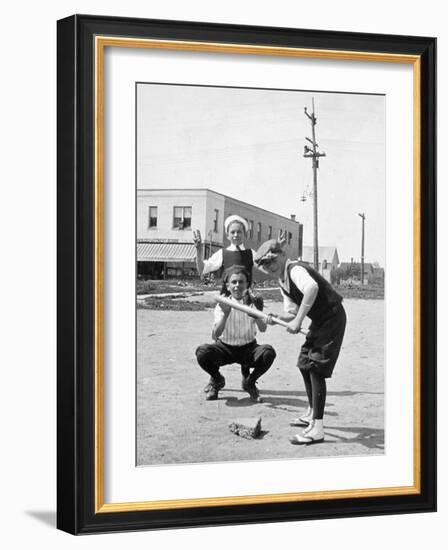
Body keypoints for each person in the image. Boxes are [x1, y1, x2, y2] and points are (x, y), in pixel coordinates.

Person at [254, 239, 346, 445]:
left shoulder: (295, 270)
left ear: (282, 256)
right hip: (320, 320)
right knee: (304, 363)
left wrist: (298, 321)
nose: (269, 267)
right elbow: (292, 312)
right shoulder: (281, 280)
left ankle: (317, 428)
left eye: (272, 261)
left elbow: (311, 289)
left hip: (332, 317)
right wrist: (274, 317)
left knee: (315, 367)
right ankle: (311, 412)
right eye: (265, 265)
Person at [194, 215, 262, 383]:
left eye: (239, 232)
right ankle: (214, 378)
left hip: (247, 300)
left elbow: (267, 266)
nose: (236, 235)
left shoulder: (251, 253)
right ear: (227, 234)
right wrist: (199, 249)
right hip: (227, 300)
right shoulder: (222, 253)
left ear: (244, 234)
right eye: (232, 232)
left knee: (245, 335)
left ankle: (247, 376)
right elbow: (202, 269)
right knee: (220, 335)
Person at [195, 265, 276, 402]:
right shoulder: (223, 304)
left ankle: (250, 382)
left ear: (247, 285)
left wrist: (257, 315)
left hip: (248, 348)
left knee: (268, 352)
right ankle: (217, 380)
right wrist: (226, 315)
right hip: (226, 348)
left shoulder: (253, 303)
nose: (237, 286)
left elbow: (263, 329)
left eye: (241, 282)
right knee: (202, 352)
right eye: (234, 282)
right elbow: (216, 334)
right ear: (228, 286)